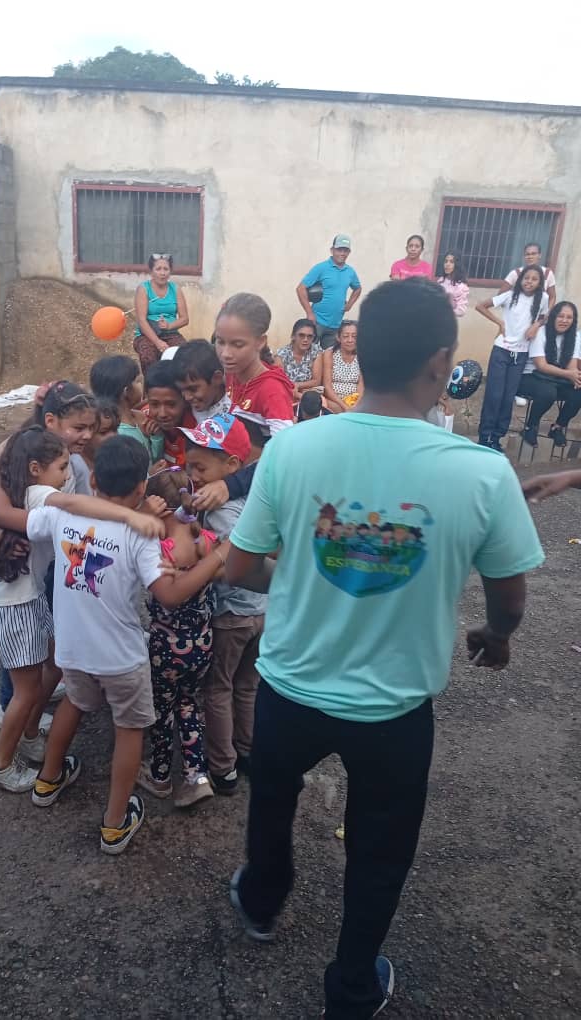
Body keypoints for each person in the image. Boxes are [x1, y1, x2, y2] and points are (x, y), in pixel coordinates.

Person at [222, 278, 544, 1019]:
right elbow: (510, 595)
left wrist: (299, 568)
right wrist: (495, 637)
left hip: (290, 688)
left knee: (271, 803)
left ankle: (263, 901)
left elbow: (241, 567)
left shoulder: (294, 449)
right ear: (441, 363)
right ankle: (353, 985)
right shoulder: (481, 471)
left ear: (357, 353)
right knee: (381, 848)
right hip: (395, 709)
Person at [25, 436, 228, 854]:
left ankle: (47, 780)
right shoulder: (141, 535)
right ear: (141, 490)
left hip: (72, 647)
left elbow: (31, 517)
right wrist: (217, 558)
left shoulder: (63, 516)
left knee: (75, 704)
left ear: (93, 478)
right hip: (121, 656)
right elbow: (169, 595)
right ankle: (115, 822)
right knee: (130, 726)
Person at [0, 381, 161, 727]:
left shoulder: (72, 463)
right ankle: (11, 715)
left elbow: (87, 504)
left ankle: (36, 701)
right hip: (24, 576)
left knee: (48, 637)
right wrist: (131, 515)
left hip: (53, 561)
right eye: (80, 428)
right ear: (50, 422)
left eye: (93, 429)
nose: (88, 436)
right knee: (25, 652)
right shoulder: (26, 459)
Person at [178, 413, 267, 795]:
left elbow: (228, 564)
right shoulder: (258, 496)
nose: (192, 473)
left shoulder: (217, 509)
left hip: (230, 614)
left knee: (219, 688)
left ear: (232, 466)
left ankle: (222, 767)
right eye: (188, 465)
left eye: (199, 466)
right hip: (262, 610)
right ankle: (247, 753)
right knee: (247, 685)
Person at [0, 428, 69, 793]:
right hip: (17, 610)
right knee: (26, 692)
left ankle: (30, 735)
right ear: (35, 468)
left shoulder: (17, 493)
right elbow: (75, 508)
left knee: (57, 659)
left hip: (26, 602)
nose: (66, 475)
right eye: (62, 467)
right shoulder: (43, 495)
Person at [136, 463, 227, 808]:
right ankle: (196, 775)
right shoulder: (203, 540)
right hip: (202, 641)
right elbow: (220, 573)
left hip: (166, 645)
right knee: (189, 704)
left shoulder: (158, 548)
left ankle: (159, 775)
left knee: (162, 710)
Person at [476, 266, 549, 451]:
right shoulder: (509, 295)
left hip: (521, 354)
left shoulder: (543, 298)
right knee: (494, 395)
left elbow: (544, 316)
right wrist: (499, 322)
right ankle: (484, 437)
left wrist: (537, 325)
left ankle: (497, 437)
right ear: (520, 279)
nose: (529, 282)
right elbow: (480, 306)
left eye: (534, 279)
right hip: (502, 350)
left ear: (540, 283)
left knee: (508, 398)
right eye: (526, 278)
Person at [215, 293, 295, 434]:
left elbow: (282, 449)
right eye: (220, 342)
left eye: (237, 344)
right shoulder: (229, 374)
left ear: (260, 342)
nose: (225, 353)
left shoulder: (272, 391)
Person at [516, 301, 581, 447]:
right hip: (531, 376)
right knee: (548, 393)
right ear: (553, 317)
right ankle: (530, 428)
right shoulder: (541, 332)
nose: (564, 320)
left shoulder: (573, 337)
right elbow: (541, 365)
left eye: (569, 317)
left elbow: (572, 367)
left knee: (579, 392)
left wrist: (575, 377)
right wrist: (568, 374)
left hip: (556, 378)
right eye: (561, 316)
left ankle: (557, 427)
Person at [89, 355, 164, 465]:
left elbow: (152, 460)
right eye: (137, 381)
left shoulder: (141, 418)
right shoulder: (115, 432)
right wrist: (149, 475)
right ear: (126, 390)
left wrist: (157, 437)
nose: (140, 385)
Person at [296, 235, 362, 349]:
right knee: (310, 354)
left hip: (335, 324)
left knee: (328, 357)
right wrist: (309, 313)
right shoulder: (321, 268)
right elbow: (300, 288)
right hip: (317, 322)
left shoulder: (350, 272)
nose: (342, 253)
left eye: (345, 250)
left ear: (349, 252)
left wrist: (349, 304)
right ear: (332, 250)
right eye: (339, 250)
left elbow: (357, 288)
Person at [133, 254, 189, 373]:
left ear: (170, 271)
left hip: (171, 334)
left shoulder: (175, 289)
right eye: (158, 269)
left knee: (183, 355)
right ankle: (151, 390)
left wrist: (169, 326)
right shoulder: (143, 289)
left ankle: (177, 390)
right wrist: (157, 342)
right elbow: (141, 320)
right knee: (149, 357)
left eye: (166, 269)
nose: (162, 273)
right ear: (151, 271)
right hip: (146, 335)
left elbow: (184, 319)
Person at [143, 360, 195, 467]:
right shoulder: (143, 420)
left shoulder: (197, 430)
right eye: (154, 404)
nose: (162, 414)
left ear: (185, 400)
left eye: (171, 404)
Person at [172, 339, 231, 423]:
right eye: (181, 390)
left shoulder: (236, 413)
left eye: (193, 389)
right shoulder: (186, 408)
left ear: (217, 378)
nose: (187, 397)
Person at [500, 242, 557, 309]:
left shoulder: (547, 273)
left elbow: (552, 297)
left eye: (533, 254)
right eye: (527, 254)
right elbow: (501, 296)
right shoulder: (515, 273)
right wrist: (511, 311)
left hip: (539, 315)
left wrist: (546, 313)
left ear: (540, 255)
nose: (530, 257)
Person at [321, 320, 363, 413]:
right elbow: (327, 386)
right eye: (345, 336)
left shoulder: (363, 354)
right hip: (334, 401)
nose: (350, 340)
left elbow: (361, 386)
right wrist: (344, 406)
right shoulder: (330, 353)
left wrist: (355, 405)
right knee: (324, 404)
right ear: (338, 337)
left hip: (355, 400)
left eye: (354, 336)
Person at [274, 319, 322, 399]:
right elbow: (279, 382)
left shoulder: (316, 351)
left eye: (310, 336)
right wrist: (296, 392)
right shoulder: (281, 355)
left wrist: (297, 385)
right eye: (301, 335)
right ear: (293, 336)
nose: (305, 339)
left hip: (308, 393)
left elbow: (316, 381)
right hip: (286, 393)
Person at [438, 251, 469, 317]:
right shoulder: (440, 281)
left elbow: (461, 311)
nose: (447, 264)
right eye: (446, 261)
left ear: (457, 265)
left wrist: (445, 311)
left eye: (451, 262)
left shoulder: (461, 287)